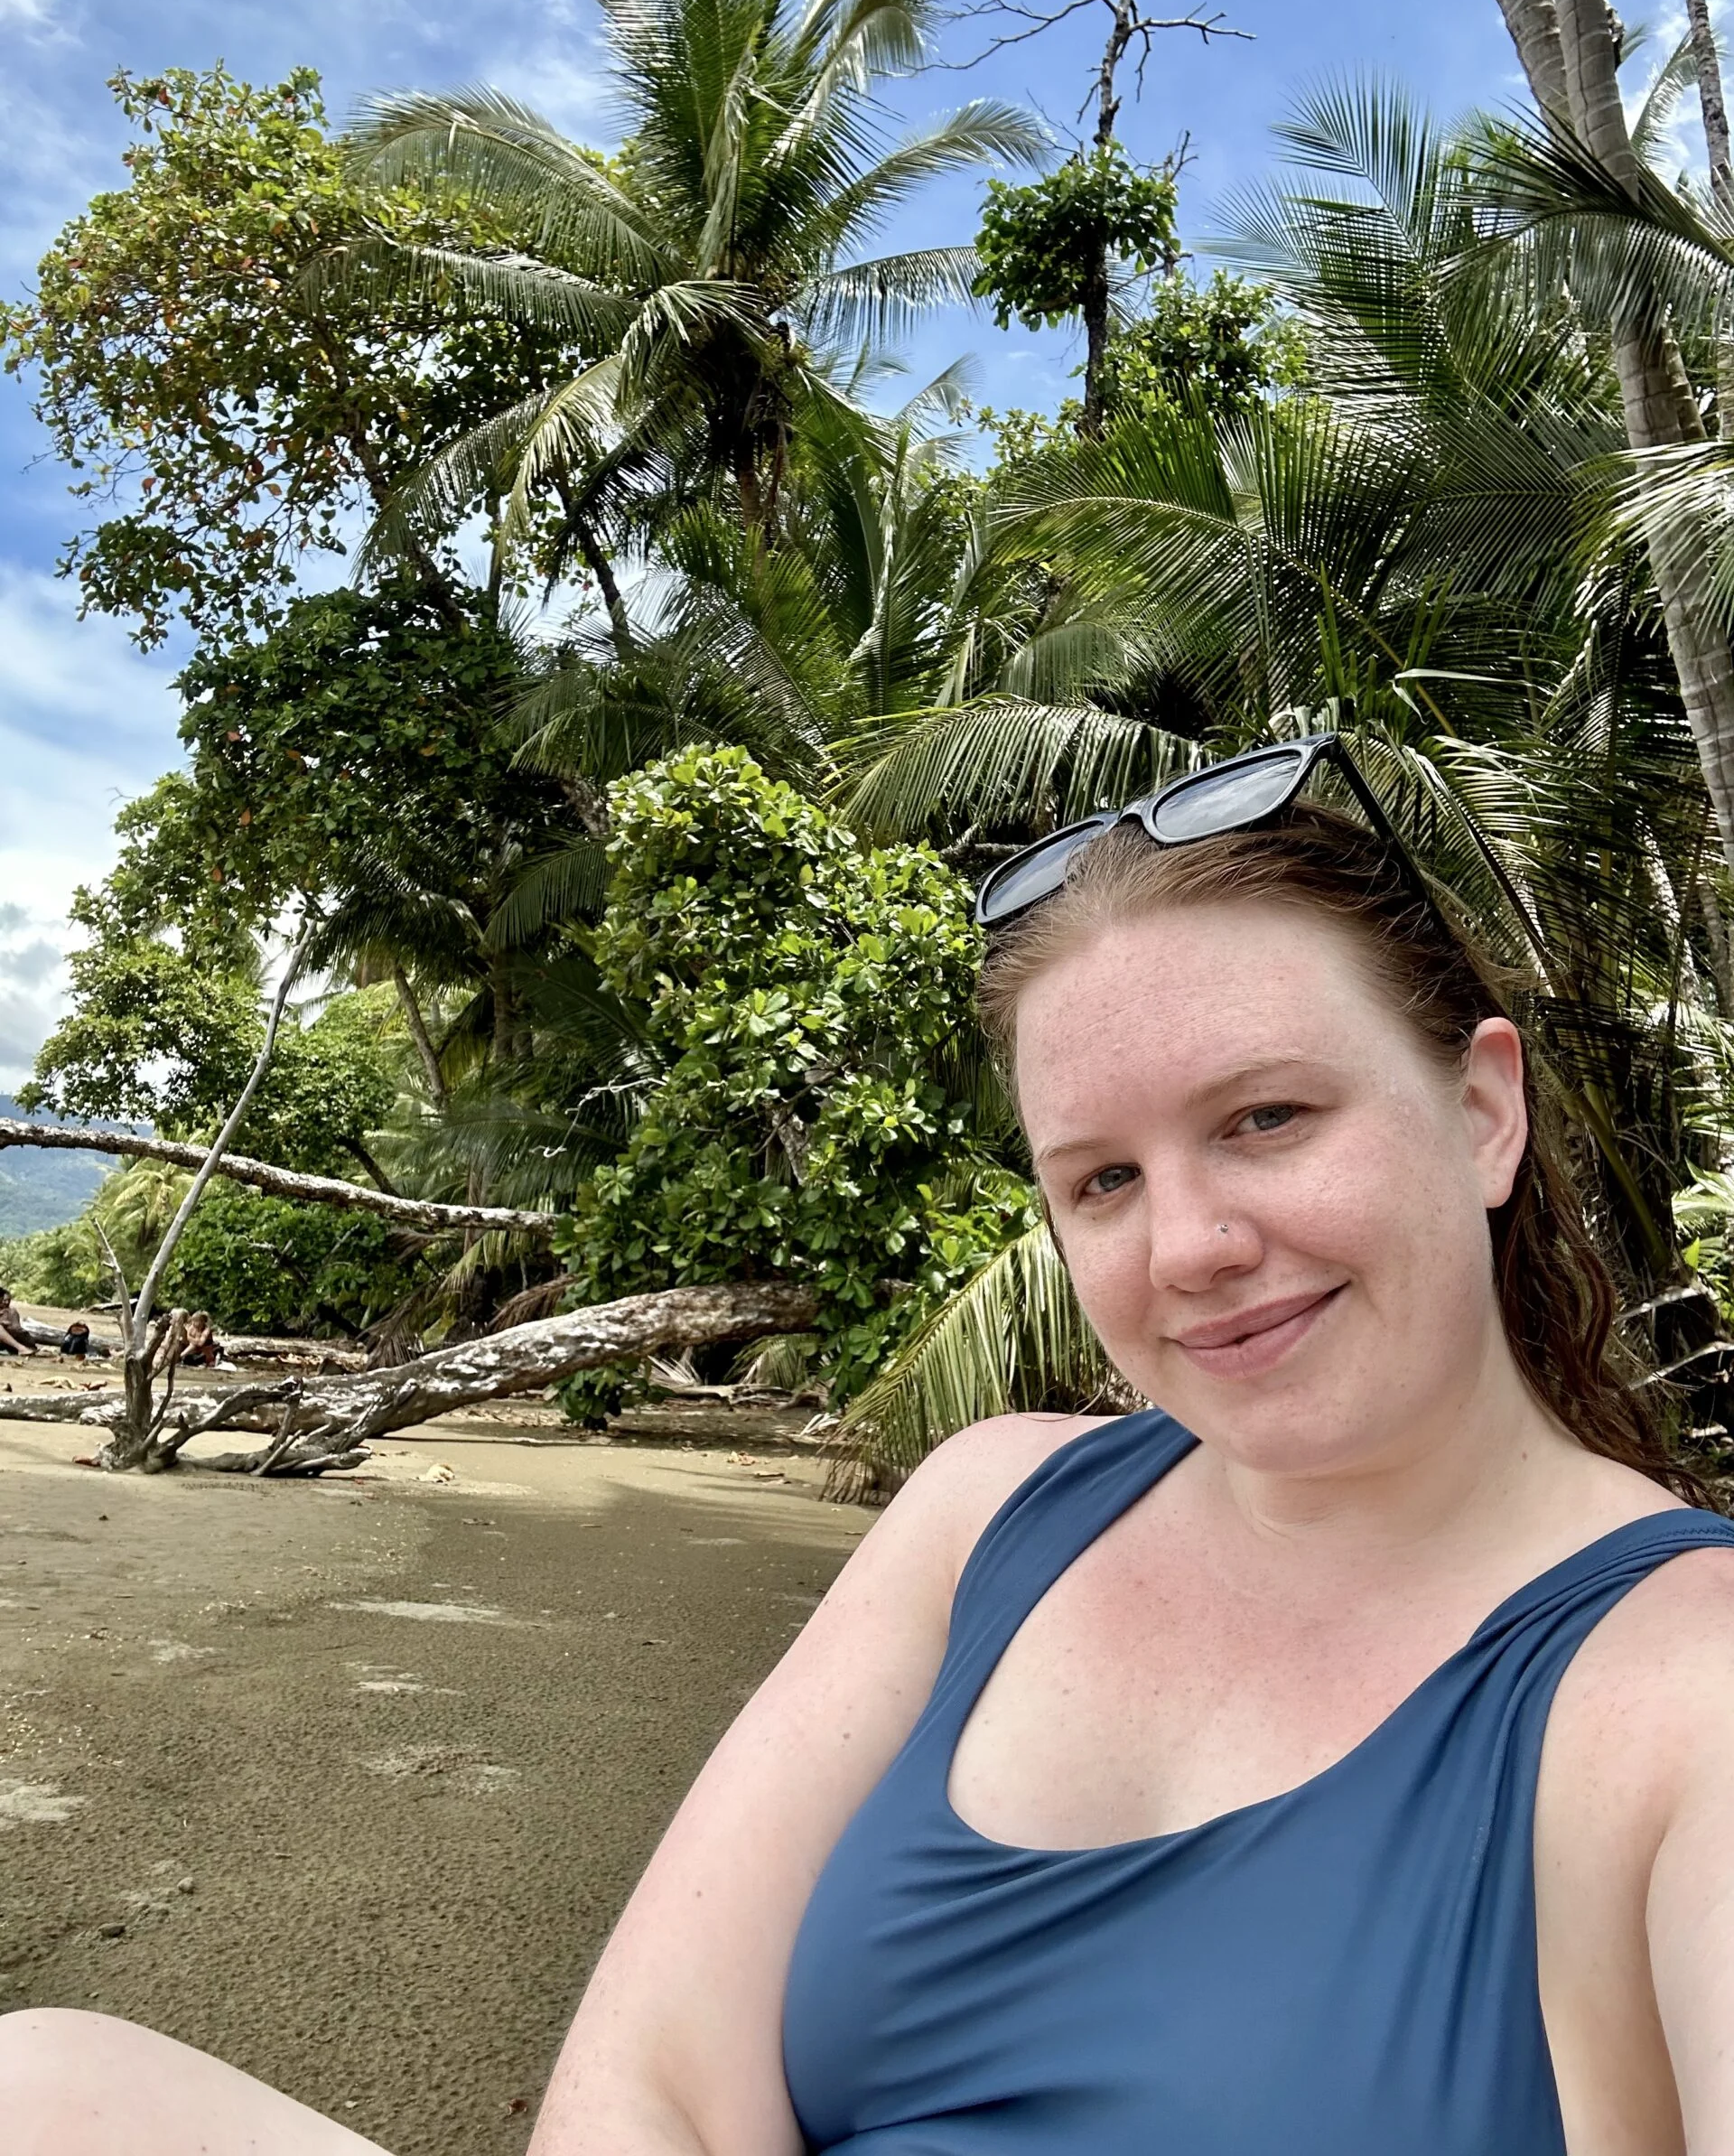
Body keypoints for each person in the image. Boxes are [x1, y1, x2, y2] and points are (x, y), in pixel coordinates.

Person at [7, 734, 1734, 2155]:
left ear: (1483, 1110)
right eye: (1103, 1180)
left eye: (1267, 1118)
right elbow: (661, 2088)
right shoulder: (997, 1505)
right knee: (47, 2088)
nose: (1189, 1244)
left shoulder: (1677, 1689)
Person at [0, 1287, 35, 1358]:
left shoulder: (11, 1312)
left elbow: (16, 1328)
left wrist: (7, 1326)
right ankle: (21, 1349)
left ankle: (22, 1348)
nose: (6, 1302)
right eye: (4, 1300)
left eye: (8, 1300)